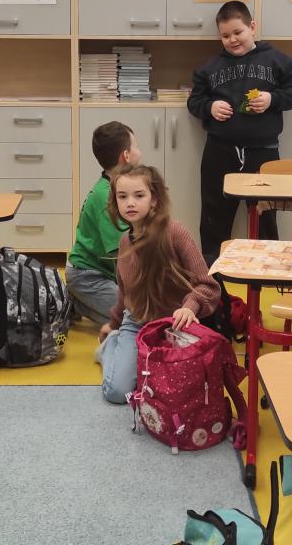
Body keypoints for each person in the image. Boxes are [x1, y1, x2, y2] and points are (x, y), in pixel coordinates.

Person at [187, 0, 292, 264]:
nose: (232, 40)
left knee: (265, 215)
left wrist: (272, 99)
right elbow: (194, 102)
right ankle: (212, 270)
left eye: (238, 32)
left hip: (263, 153)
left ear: (252, 27)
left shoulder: (276, 60)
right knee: (214, 215)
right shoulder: (210, 68)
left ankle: (268, 266)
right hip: (219, 152)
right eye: (225, 36)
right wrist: (210, 107)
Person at [97, 164, 219, 404]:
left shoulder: (176, 232)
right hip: (136, 323)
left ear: (154, 199)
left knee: (175, 390)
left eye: (138, 195)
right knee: (116, 392)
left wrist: (189, 307)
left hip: (175, 325)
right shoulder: (124, 242)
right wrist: (113, 324)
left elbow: (207, 285)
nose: (130, 203)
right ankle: (112, 345)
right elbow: (125, 292)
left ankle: (130, 353)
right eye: (122, 197)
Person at [65, 122, 140, 326]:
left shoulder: (117, 188)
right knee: (136, 320)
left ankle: (80, 302)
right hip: (87, 276)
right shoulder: (106, 198)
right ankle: (73, 302)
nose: (140, 152)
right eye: (136, 146)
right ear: (126, 155)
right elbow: (122, 255)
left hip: (102, 272)